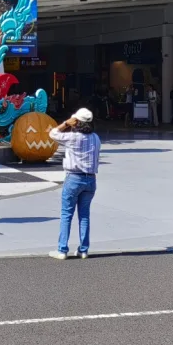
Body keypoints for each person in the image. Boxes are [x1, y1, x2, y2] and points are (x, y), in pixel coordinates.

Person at [48, 108, 101, 260]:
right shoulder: (96, 138)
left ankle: (62, 249)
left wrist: (65, 123)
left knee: (66, 214)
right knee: (84, 215)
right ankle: (83, 249)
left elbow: (52, 133)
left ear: (76, 122)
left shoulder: (72, 137)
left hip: (74, 178)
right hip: (90, 179)